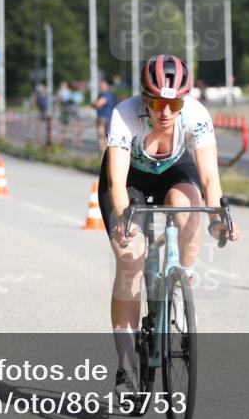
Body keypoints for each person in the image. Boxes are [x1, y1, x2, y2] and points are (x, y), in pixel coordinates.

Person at [99, 55, 240, 398]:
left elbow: (209, 178)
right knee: (131, 258)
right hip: (129, 178)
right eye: (159, 102)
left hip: (174, 172)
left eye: (174, 103)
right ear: (145, 98)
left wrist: (218, 219)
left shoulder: (195, 115)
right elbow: (117, 184)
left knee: (188, 208)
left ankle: (181, 278)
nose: (165, 112)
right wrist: (125, 222)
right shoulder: (124, 114)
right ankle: (125, 362)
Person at [92, 79, 116, 154]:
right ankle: (103, 153)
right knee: (103, 136)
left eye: (102, 84)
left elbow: (98, 104)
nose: (101, 86)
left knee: (103, 136)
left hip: (105, 118)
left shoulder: (106, 94)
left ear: (106, 86)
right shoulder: (103, 94)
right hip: (104, 117)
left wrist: (94, 104)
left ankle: (103, 153)